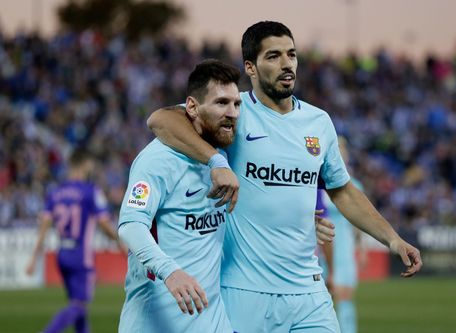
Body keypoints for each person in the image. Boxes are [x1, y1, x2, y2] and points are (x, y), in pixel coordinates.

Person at [147, 21, 422, 332]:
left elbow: (343, 191)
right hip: (244, 293)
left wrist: (393, 239)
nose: (287, 63)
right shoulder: (235, 112)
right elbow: (160, 120)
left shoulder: (318, 122)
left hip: (309, 292)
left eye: (291, 54)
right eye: (274, 56)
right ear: (250, 67)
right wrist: (216, 161)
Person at [117, 59, 241, 333]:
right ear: (192, 107)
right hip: (155, 321)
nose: (232, 112)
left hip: (212, 322)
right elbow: (130, 225)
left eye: (236, 104)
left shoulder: (222, 154)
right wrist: (170, 272)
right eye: (222, 103)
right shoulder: (157, 160)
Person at [26, 148, 123, 333]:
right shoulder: (90, 191)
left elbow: (44, 227)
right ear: (84, 165)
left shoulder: (55, 193)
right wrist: (119, 242)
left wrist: (33, 258)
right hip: (81, 256)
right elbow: (103, 223)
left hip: (62, 254)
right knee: (79, 306)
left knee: (78, 305)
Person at [316, 136, 368, 333]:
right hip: (321, 244)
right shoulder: (319, 182)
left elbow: (358, 222)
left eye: (342, 149)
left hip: (344, 246)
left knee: (345, 295)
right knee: (323, 296)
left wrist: (361, 249)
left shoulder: (353, 185)